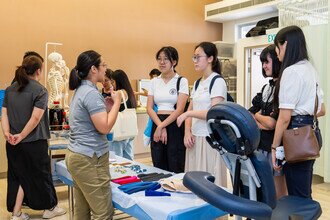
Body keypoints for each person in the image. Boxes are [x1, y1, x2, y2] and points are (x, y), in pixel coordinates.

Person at [1, 55, 66, 219]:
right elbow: (36, 118)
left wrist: (7, 133)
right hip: (33, 142)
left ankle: (16, 213)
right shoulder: (40, 90)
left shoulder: (10, 89)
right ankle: (49, 208)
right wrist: (22, 135)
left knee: (18, 176)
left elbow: (4, 113)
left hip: (12, 142)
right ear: (39, 70)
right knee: (41, 175)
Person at [65, 50, 121, 220]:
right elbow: (104, 128)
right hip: (90, 158)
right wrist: (117, 102)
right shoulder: (91, 94)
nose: (106, 68)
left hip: (79, 156)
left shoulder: (81, 91)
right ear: (93, 69)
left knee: (82, 211)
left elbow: (95, 122)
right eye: (103, 65)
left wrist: (107, 109)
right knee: (103, 212)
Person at [272, 25, 326, 199]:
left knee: (297, 196)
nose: (276, 52)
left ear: (285, 44)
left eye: (277, 46)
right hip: (311, 133)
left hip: (296, 135)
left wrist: (274, 147)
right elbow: (321, 110)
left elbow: (284, 118)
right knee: (303, 190)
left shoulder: (291, 71)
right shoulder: (311, 69)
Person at [176, 42, 227, 187]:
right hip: (194, 139)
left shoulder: (217, 81)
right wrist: (187, 132)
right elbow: (190, 110)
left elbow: (213, 112)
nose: (195, 61)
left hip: (210, 139)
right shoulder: (198, 83)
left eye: (198, 57)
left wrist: (188, 114)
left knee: (210, 183)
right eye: (194, 57)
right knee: (194, 183)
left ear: (210, 58)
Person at [248, 45, 287, 199]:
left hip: (277, 147)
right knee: (264, 192)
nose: (264, 66)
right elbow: (250, 111)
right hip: (261, 146)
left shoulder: (284, 87)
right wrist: (260, 117)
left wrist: (258, 117)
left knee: (279, 194)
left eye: (267, 62)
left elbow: (272, 123)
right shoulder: (266, 88)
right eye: (262, 62)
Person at [147, 46, 189, 173]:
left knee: (175, 162)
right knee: (158, 163)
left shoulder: (182, 81)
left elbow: (180, 109)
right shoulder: (154, 81)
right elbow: (149, 108)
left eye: (166, 59)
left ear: (174, 62)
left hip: (175, 125)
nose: (162, 62)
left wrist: (162, 126)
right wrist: (159, 126)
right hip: (157, 122)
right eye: (159, 59)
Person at [107, 69, 137, 160]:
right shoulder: (129, 92)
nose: (111, 84)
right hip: (129, 133)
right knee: (128, 160)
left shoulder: (119, 93)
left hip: (119, 134)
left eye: (112, 82)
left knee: (116, 161)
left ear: (118, 81)